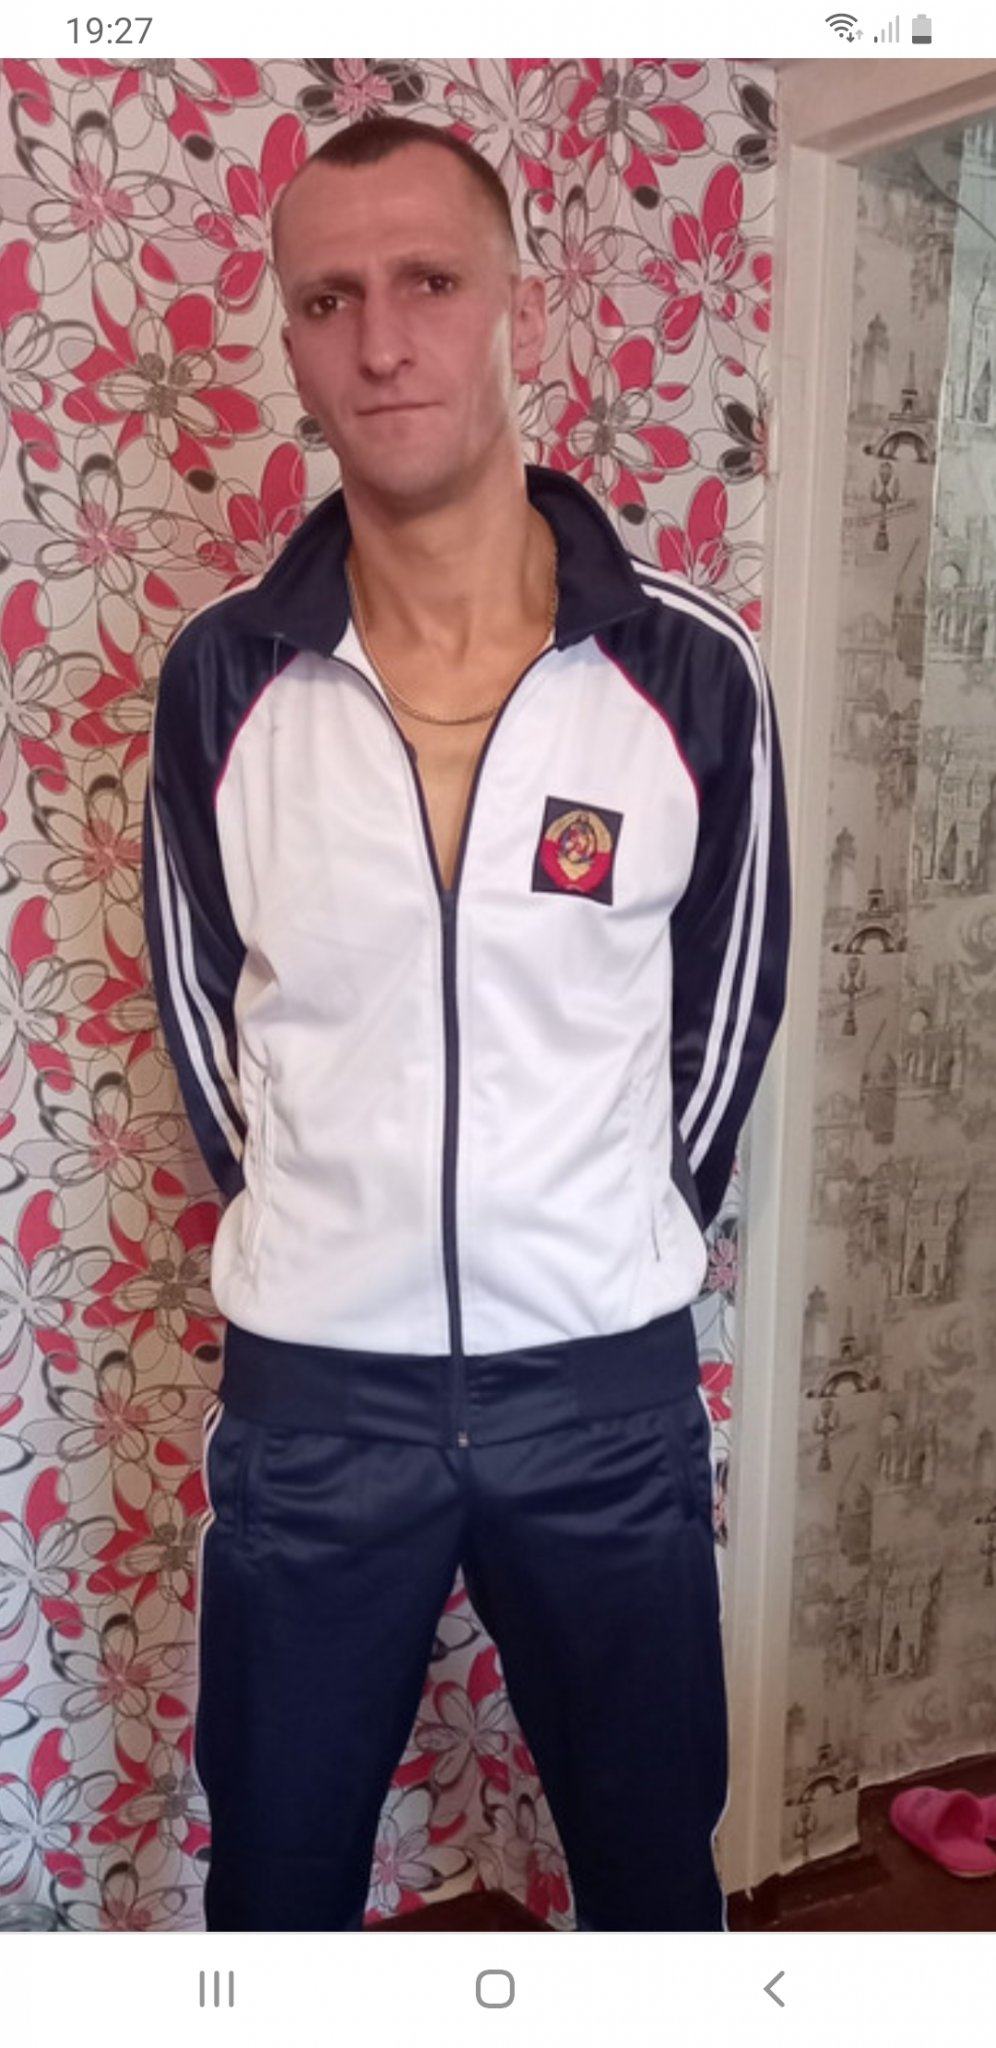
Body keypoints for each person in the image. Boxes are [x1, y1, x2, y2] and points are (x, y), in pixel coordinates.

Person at [141, 112, 791, 1934]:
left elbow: (729, 1002)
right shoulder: (225, 676)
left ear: (522, 308)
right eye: (329, 299)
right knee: (276, 1884)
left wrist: (602, 1228)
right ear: (293, 342)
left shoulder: (686, 668)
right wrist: (327, 1227)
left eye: (429, 280)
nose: (383, 340)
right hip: (316, 1403)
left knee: (653, 1880)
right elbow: (204, 1009)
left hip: (601, 1393)